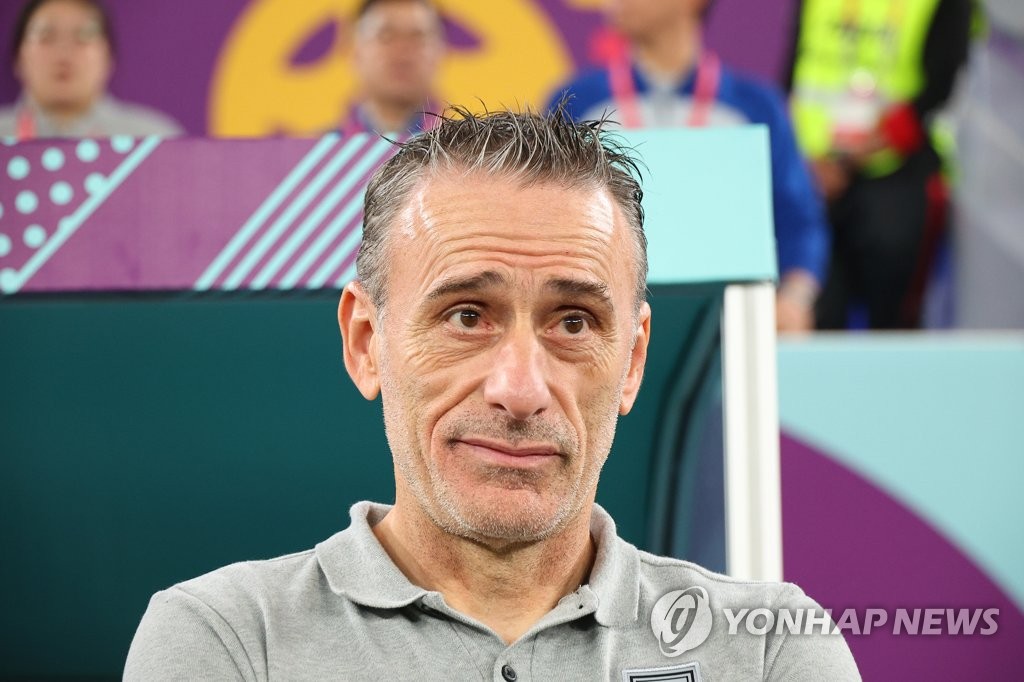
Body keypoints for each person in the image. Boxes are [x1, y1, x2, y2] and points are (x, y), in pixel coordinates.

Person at [123, 107, 859, 679]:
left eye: (573, 321)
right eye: (467, 315)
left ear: (631, 360)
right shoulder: (222, 640)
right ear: (365, 342)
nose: (519, 389)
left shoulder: (770, 653)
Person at [550, 0, 829, 333]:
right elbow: (547, 217)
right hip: (607, 322)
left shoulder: (756, 107)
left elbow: (799, 221)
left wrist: (794, 300)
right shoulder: (576, 102)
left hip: (728, 330)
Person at [786, 0, 973, 329]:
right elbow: (795, 73)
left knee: (893, 321)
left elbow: (943, 81)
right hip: (817, 176)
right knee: (814, 313)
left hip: (898, 173)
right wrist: (803, 161)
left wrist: (852, 158)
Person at [0, 0, 182, 139]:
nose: (64, 54)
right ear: (18, 57)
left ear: (109, 57)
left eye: (83, 36)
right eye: (46, 36)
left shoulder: (152, 140)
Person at [341, 0, 444, 136]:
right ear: (355, 52)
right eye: (386, 36)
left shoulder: (470, 153)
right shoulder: (316, 153)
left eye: (417, 37)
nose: (402, 53)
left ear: (440, 52)